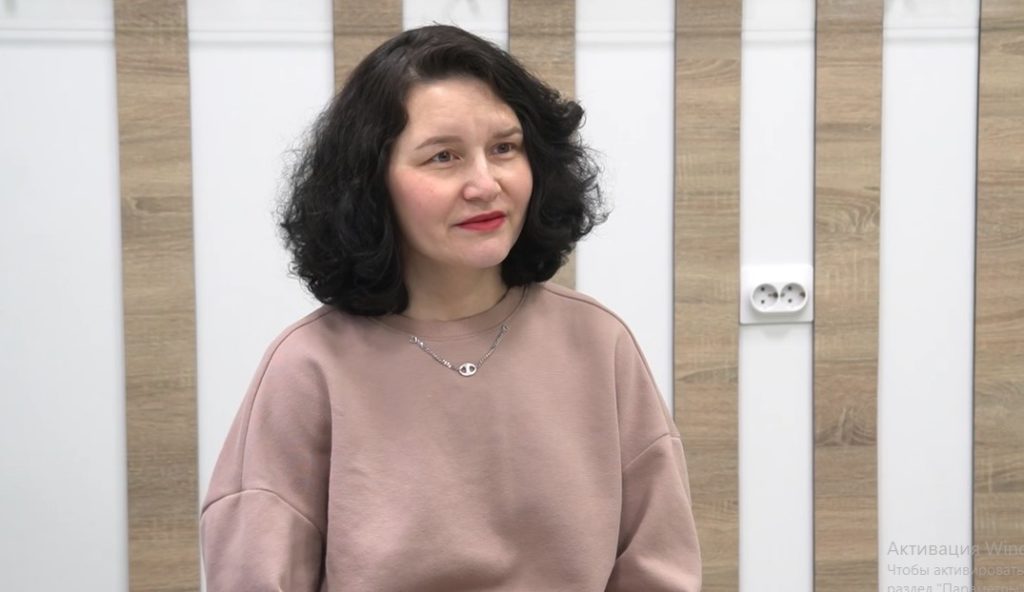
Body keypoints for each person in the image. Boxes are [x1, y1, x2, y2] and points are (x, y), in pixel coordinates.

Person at [200, 24, 701, 591]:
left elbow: (658, 567)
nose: (485, 184)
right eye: (444, 157)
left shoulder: (598, 342)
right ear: (371, 185)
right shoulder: (308, 367)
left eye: (504, 148)